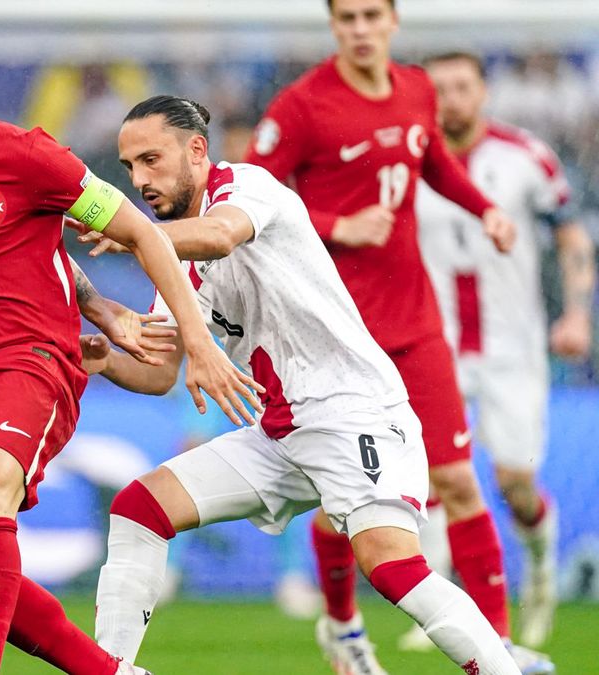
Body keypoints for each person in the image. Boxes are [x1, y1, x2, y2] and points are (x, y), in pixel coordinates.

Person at [0, 29, 263, 675]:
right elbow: (18, 250)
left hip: (27, 360)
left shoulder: (29, 155)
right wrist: (97, 303)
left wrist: (197, 342)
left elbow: (143, 235)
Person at [78, 94, 522, 674]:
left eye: (151, 160)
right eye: (130, 167)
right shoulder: (172, 261)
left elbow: (217, 236)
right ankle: (110, 669)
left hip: (353, 411)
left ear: (196, 150)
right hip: (281, 434)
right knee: (141, 507)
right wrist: (105, 361)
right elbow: (160, 372)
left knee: (390, 567)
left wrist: (135, 234)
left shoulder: (247, 188)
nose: (139, 180)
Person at [243, 1, 551, 672]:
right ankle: (344, 629)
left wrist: (487, 208)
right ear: (333, 25)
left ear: (392, 21)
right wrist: (337, 224)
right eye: (346, 17)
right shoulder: (303, 106)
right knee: (343, 502)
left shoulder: (416, 88)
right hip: (335, 337)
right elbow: (244, 194)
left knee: (458, 482)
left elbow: (435, 162)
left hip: (415, 325)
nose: (359, 29)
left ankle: (495, 647)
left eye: (370, 15)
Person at [408, 51, 596, 650]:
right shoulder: (409, 163)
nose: (452, 99)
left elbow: (570, 236)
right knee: (435, 473)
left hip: (513, 350)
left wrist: (575, 313)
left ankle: (539, 568)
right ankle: (442, 601)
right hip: (435, 344)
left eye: (462, 86)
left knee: (515, 481)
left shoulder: (525, 158)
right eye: (440, 88)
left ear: (484, 91)